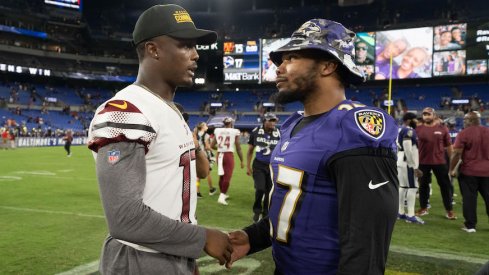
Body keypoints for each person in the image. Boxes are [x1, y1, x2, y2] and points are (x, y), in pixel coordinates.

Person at [228, 19, 399, 274]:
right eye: (280, 61)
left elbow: (365, 243)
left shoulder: (353, 128)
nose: (279, 68)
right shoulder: (292, 125)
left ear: (328, 65)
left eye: (292, 58)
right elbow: (299, 206)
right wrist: (252, 237)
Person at [86, 4, 232, 274]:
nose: (196, 55)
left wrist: (186, 258)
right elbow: (125, 219)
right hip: (140, 259)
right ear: (153, 50)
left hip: (172, 253)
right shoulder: (126, 112)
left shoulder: (169, 109)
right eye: (186, 45)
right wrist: (202, 238)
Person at [449, 111, 489, 233]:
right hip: (487, 172)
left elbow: (456, 153)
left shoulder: (464, 133)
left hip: (469, 172)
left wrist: (451, 169)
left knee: (469, 199)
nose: (464, 122)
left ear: (471, 120)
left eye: (465, 120)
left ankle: (470, 226)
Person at [415, 107, 456, 219]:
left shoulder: (443, 128)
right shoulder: (418, 129)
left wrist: (452, 164)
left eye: (428, 114)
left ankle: (449, 210)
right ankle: (423, 208)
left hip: (439, 162)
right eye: (424, 114)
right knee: (423, 186)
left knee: (445, 186)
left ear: (434, 115)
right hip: (423, 162)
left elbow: (449, 147)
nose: (426, 116)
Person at [246, 112, 280, 222]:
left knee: (269, 191)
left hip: (272, 166)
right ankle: (256, 210)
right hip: (259, 165)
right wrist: (247, 166)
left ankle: (265, 212)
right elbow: (250, 150)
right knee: (260, 188)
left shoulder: (278, 133)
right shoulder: (256, 132)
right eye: (270, 120)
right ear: (264, 121)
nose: (273, 123)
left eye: (274, 120)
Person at [397, 113, 425, 224]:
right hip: (407, 163)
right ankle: (411, 215)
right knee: (412, 188)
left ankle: (401, 212)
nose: (416, 122)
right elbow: (408, 148)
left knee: (403, 187)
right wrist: (414, 167)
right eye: (414, 119)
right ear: (408, 120)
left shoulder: (401, 129)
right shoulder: (409, 131)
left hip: (401, 161)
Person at [211, 117, 244, 205]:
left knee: (222, 176)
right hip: (228, 155)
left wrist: (220, 148)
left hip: (219, 155)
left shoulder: (218, 130)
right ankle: (221, 196)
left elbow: (212, 145)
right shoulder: (234, 131)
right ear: (231, 123)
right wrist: (242, 160)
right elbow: (238, 148)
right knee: (227, 177)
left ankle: (223, 194)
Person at [195, 122, 217, 198]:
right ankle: (211, 189)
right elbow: (207, 147)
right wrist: (214, 150)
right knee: (208, 173)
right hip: (205, 156)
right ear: (202, 127)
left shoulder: (196, 134)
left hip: (197, 155)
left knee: (198, 174)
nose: (207, 126)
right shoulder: (206, 135)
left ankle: (197, 192)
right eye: (205, 125)